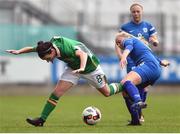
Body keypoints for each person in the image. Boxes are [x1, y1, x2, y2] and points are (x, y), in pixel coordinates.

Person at [6, 35, 140, 127]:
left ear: (52, 50)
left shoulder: (66, 48)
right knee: (56, 93)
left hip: (90, 67)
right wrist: (19, 51)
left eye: (48, 58)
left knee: (106, 92)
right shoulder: (46, 47)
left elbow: (83, 54)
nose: (48, 60)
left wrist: (82, 68)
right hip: (73, 68)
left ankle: (125, 84)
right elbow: (32, 48)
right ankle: (41, 120)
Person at [117, 3, 169, 124]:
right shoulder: (125, 27)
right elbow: (119, 43)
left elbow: (151, 39)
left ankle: (139, 109)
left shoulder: (145, 27)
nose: (136, 13)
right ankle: (136, 119)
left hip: (145, 63)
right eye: (133, 12)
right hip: (139, 62)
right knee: (127, 90)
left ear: (141, 12)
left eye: (138, 11)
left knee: (128, 83)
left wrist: (154, 41)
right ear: (131, 13)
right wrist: (121, 56)